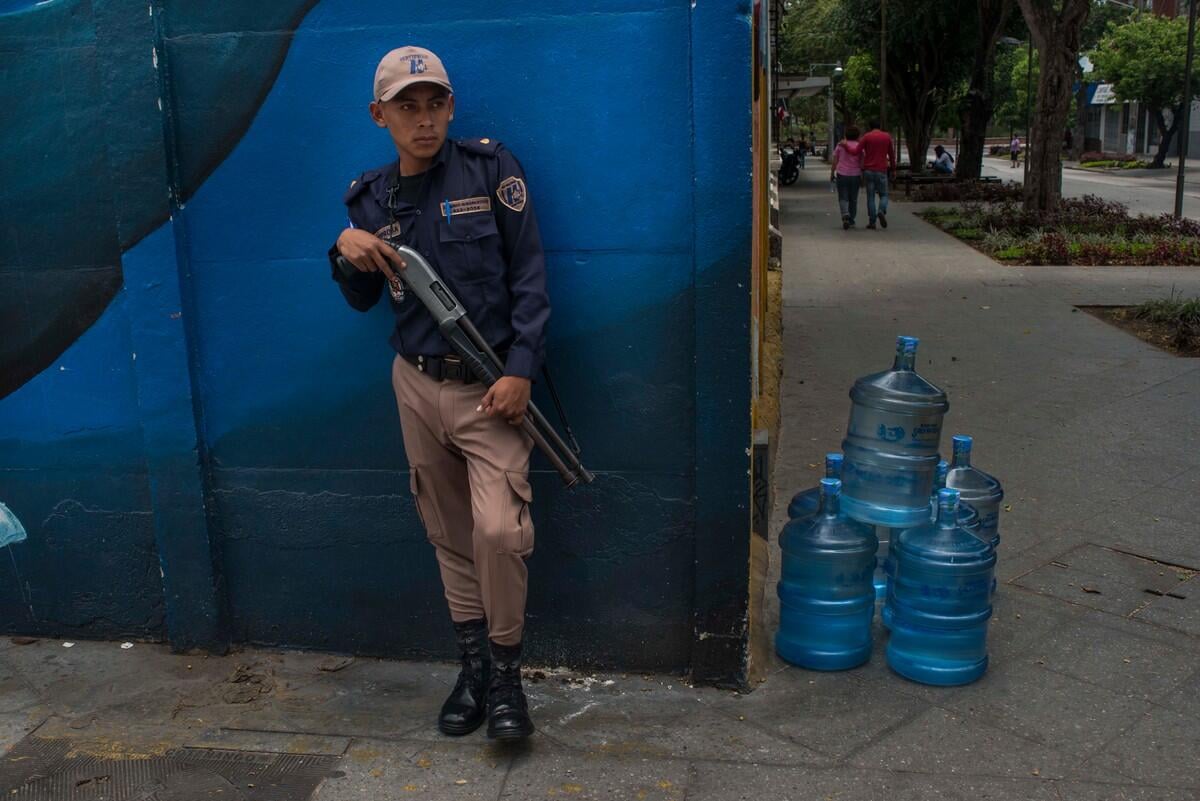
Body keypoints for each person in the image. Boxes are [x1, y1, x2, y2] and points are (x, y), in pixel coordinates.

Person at [329, 46, 549, 741]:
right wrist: (344, 251)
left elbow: (529, 275)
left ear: (450, 107)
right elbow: (363, 299)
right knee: (448, 533)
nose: (422, 120)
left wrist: (521, 368)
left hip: (492, 388)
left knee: (500, 532)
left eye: (434, 105)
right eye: (406, 108)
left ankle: (508, 677)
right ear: (380, 116)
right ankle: (474, 669)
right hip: (417, 384)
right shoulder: (369, 199)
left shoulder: (491, 171)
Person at [859, 120, 895, 230]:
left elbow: (857, 150)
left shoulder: (866, 136)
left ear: (870, 127)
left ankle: (872, 222)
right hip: (882, 170)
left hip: (869, 170)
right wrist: (893, 170)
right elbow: (891, 155)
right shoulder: (887, 136)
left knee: (870, 197)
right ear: (880, 126)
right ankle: (881, 210)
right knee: (884, 195)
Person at [830, 127, 865, 229]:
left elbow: (835, 161)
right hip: (855, 175)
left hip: (842, 174)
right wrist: (862, 176)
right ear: (858, 136)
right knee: (853, 199)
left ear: (846, 135)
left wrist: (832, 173)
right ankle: (851, 220)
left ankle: (845, 214)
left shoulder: (840, 145)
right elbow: (862, 163)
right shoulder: (860, 146)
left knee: (843, 196)